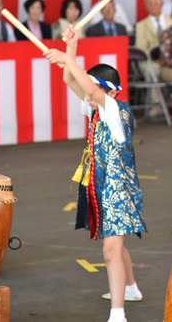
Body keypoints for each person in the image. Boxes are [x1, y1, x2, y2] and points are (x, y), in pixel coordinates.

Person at [44, 25, 146, 322]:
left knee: (111, 249)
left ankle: (118, 314)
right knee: (116, 241)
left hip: (119, 190)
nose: (90, 95)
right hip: (102, 187)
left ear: (111, 91)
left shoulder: (116, 110)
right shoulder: (95, 109)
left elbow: (87, 87)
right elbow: (70, 79)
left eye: (97, 89)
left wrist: (67, 57)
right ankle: (131, 288)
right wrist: (71, 50)